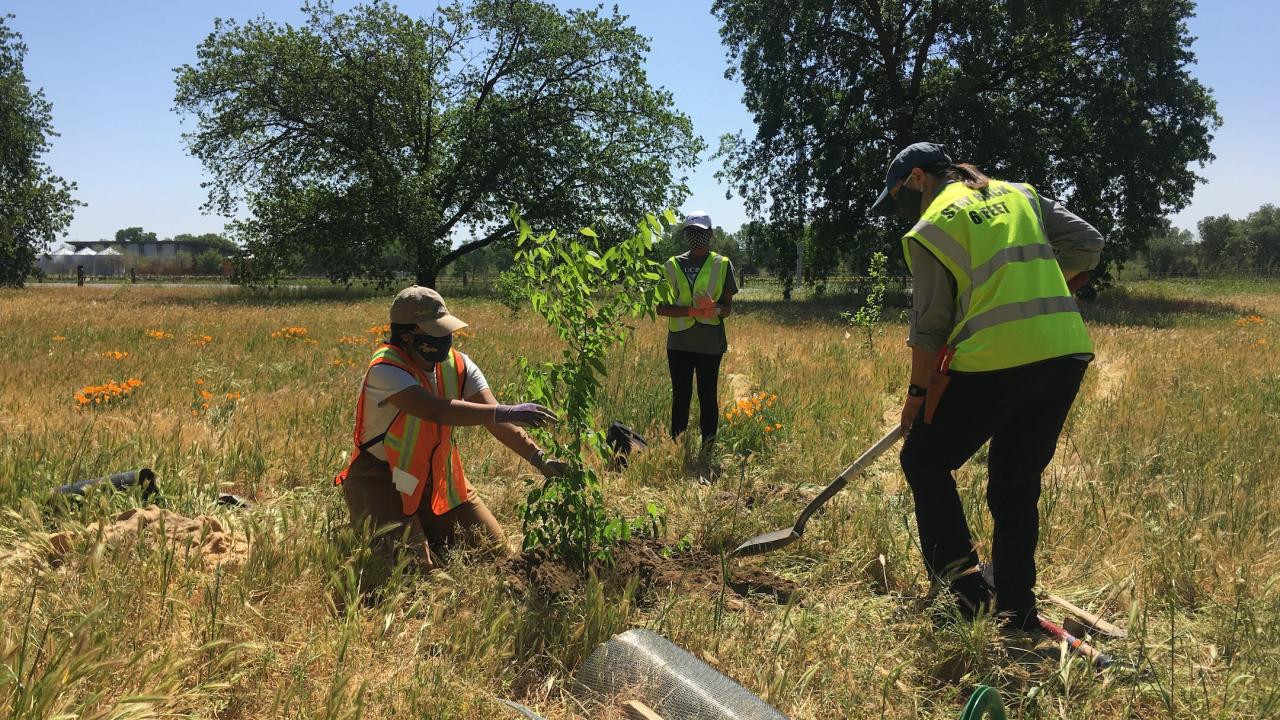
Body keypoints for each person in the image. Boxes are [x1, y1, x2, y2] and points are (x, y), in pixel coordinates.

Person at [871, 142, 1102, 631]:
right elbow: (1090, 243)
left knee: (923, 459)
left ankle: (965, 594)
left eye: (898, 197)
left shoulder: (932, 227)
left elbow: (930, 328)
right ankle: (1017, 606)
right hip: (1065, 353)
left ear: (917, 178)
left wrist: (915, 398)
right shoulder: (1021, 195)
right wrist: (1038, 292)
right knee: (1016, 482)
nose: (901, 210)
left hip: (998, 361)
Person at [336, 285, 566, 568]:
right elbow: (437, 410)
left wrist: (539, 458)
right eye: (435, 331)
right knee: (413, 571)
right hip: (381, 478)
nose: (446, 338)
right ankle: (385, 520)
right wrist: (505, 411)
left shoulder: (459, 364)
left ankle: (421, 524)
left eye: (446, 329)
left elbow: (493, 421)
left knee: (493, 552)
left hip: (436, 477)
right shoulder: (386, 369)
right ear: (408, 335)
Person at [656, 211, 739, 446]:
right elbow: (661, 308)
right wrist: (692, 311)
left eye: (701, 232)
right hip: (679, 344)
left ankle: (708, 447)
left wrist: (713, 308)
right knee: (681, 398)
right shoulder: (671, 266)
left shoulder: (722, 264)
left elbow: (727, 310)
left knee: (707, 397)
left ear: (711, 234)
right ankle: (677, 446)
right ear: (686, 235)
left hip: (710, 345)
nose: (697, 237)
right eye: (692, 232)